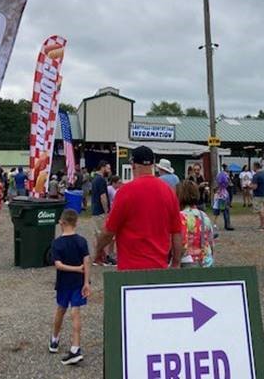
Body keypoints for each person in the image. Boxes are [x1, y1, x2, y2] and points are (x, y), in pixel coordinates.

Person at [94, 146, 182, 270]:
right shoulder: (168, 191)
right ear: (153, 165)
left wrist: (98, 250)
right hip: (159, 267)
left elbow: (109, 231)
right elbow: (177, 232)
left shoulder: (125, 192)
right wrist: (176, 263)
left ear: (133, 164)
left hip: (130, 269)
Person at [48, 209, 90, 365]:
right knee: (75, 313)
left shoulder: (57, 243)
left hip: (64, 284)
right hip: (78, 283)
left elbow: (58, 265)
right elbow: (86, 262)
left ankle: (55, 339)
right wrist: (86, 281)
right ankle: (75, 347)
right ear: (76, 223)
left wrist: (76, 270)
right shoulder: (82, 241)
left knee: (61, 309)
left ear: (62, 222)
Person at [177, 180, 214, 267]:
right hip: (205, 261)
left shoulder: (180, 217)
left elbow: (182, 243)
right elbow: (210, 240)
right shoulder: (203, 215)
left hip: (187, 263)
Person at [91, 161, 113, 266]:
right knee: (102, 235)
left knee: (98, 235)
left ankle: (99, 257)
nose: (109, 171)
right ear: (103, 168)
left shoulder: (94, 179)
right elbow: (103, 196)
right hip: (100, 211)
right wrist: (106, 211)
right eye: (108, 168)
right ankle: (98, 258)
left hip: (95, 210)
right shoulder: (101, 180)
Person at [213, 165, 234, 230]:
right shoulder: (225, 175)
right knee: (225, 210)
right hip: (223, 196)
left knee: (219, 211)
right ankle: (227, 225)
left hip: (219, 196)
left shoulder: (219, 175)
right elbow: (229, 183)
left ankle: (216, 224)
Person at [251, 162, 264, 231]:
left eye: (253, 167)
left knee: (260, 211)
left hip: (258, 195)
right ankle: (263, 225)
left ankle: (262, 225)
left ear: (255, 167)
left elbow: (255, 187)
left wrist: (249, 186)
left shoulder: (256, 176)